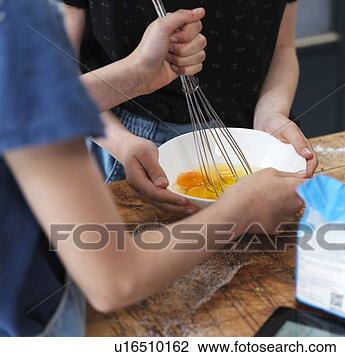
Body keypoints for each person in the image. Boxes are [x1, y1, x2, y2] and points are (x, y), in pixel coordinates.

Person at [0, 0, 305, 337]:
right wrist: (245, 207)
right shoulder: (17, 20)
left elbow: (29, 108)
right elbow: (113, 280)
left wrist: (136, 74)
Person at [61, 0, 318, 216]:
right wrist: (122, 144)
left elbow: (282, 47)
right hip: (132, 146)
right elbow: (60, 79)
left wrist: (271, 113)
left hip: (253, 137)